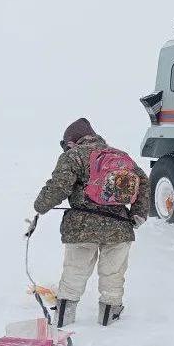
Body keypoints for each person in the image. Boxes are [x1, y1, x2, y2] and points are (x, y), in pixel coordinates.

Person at [33, 118, 149, 327]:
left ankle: (64, 320)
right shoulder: (121, 156)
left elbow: (59, 186)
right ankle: (109, 320)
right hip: (119, 227)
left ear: (71, 142)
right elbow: (144, 183)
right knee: (113, 274)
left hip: (82, 227)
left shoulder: (73, 156)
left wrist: (40, 206)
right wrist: (137, 215)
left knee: (74, 271)